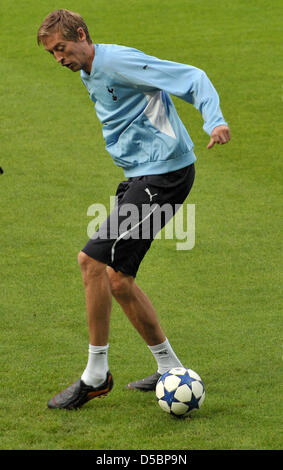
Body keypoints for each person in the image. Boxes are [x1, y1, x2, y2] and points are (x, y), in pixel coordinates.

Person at [37, 9, 230, 410]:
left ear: (82, 35)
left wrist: (215, 122)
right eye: (52, 53)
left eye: (61, 48)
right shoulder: (90, 70)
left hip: (163, 176)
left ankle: (95, 376)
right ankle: (169, 368)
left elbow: (192, 77)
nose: (59, 58)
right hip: (142, 175)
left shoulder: (117, 61)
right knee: (118, 279)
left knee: (91, 262)